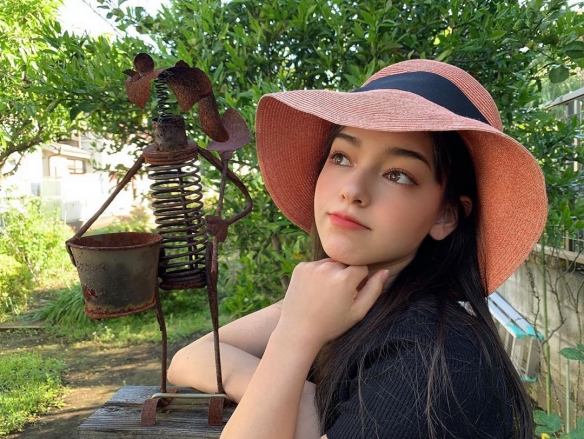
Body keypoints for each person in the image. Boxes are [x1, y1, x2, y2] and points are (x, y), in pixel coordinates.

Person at [167, 59, 547, 439]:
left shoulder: (436, 360)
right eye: (342, 157)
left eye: (398, 175)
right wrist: (304, 397)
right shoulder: (338, 296)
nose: (352, 189)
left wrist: (295, 339)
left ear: (445, 214)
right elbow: (190, 357)